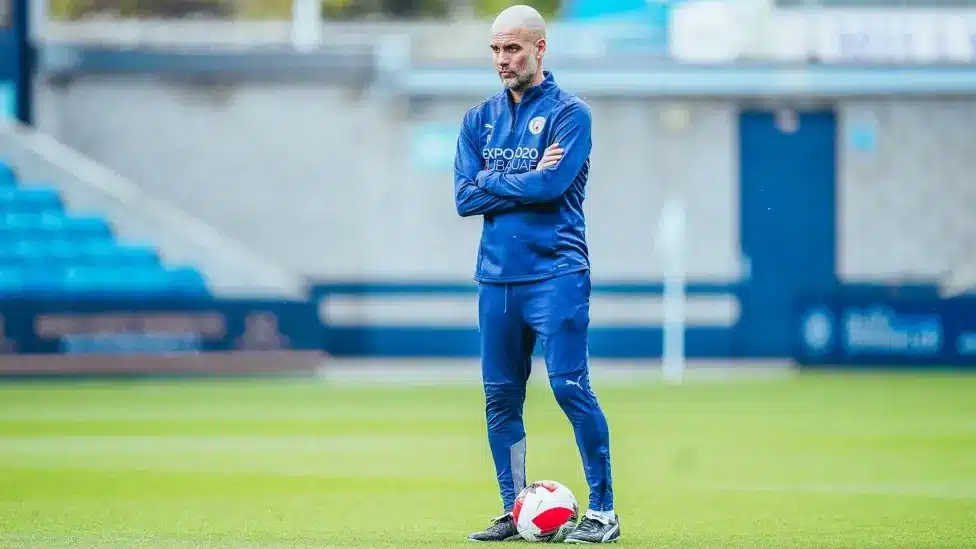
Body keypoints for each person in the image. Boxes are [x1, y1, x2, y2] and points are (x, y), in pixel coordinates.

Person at [453, 5, 619, 544]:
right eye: (496, 49)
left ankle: (603, 513)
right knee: (500, 398)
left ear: (540, 49)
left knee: (570, 387)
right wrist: (524, 174)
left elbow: (550, 190)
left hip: (556, 273)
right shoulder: (478, 119)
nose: (503, 59)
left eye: (513, 49)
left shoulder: (573, 115)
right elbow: (462, 196)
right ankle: (514, 508)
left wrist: (491, 177)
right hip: (496, 280)